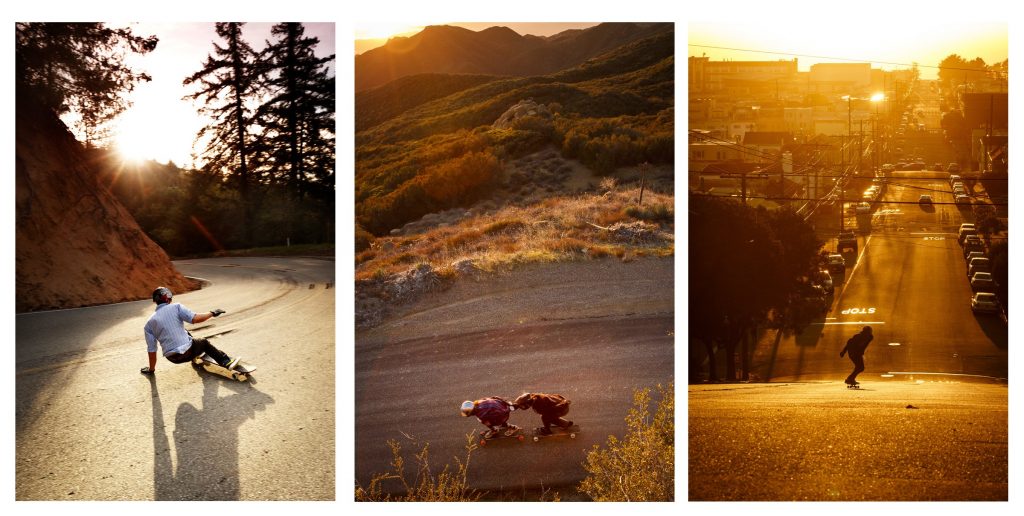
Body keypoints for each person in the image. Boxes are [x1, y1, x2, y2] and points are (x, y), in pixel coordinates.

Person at [140, 286, 238, 375]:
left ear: (155, 301)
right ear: (167, 297)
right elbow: (195, 319)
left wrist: (151, 369)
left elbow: (152, 350)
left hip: (173, 358)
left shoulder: (149, 323)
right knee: (204, 343)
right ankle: (225, 361)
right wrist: (212, 313)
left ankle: (195, 356)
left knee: (185, 332)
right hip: (189, 352)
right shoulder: (176, 307)